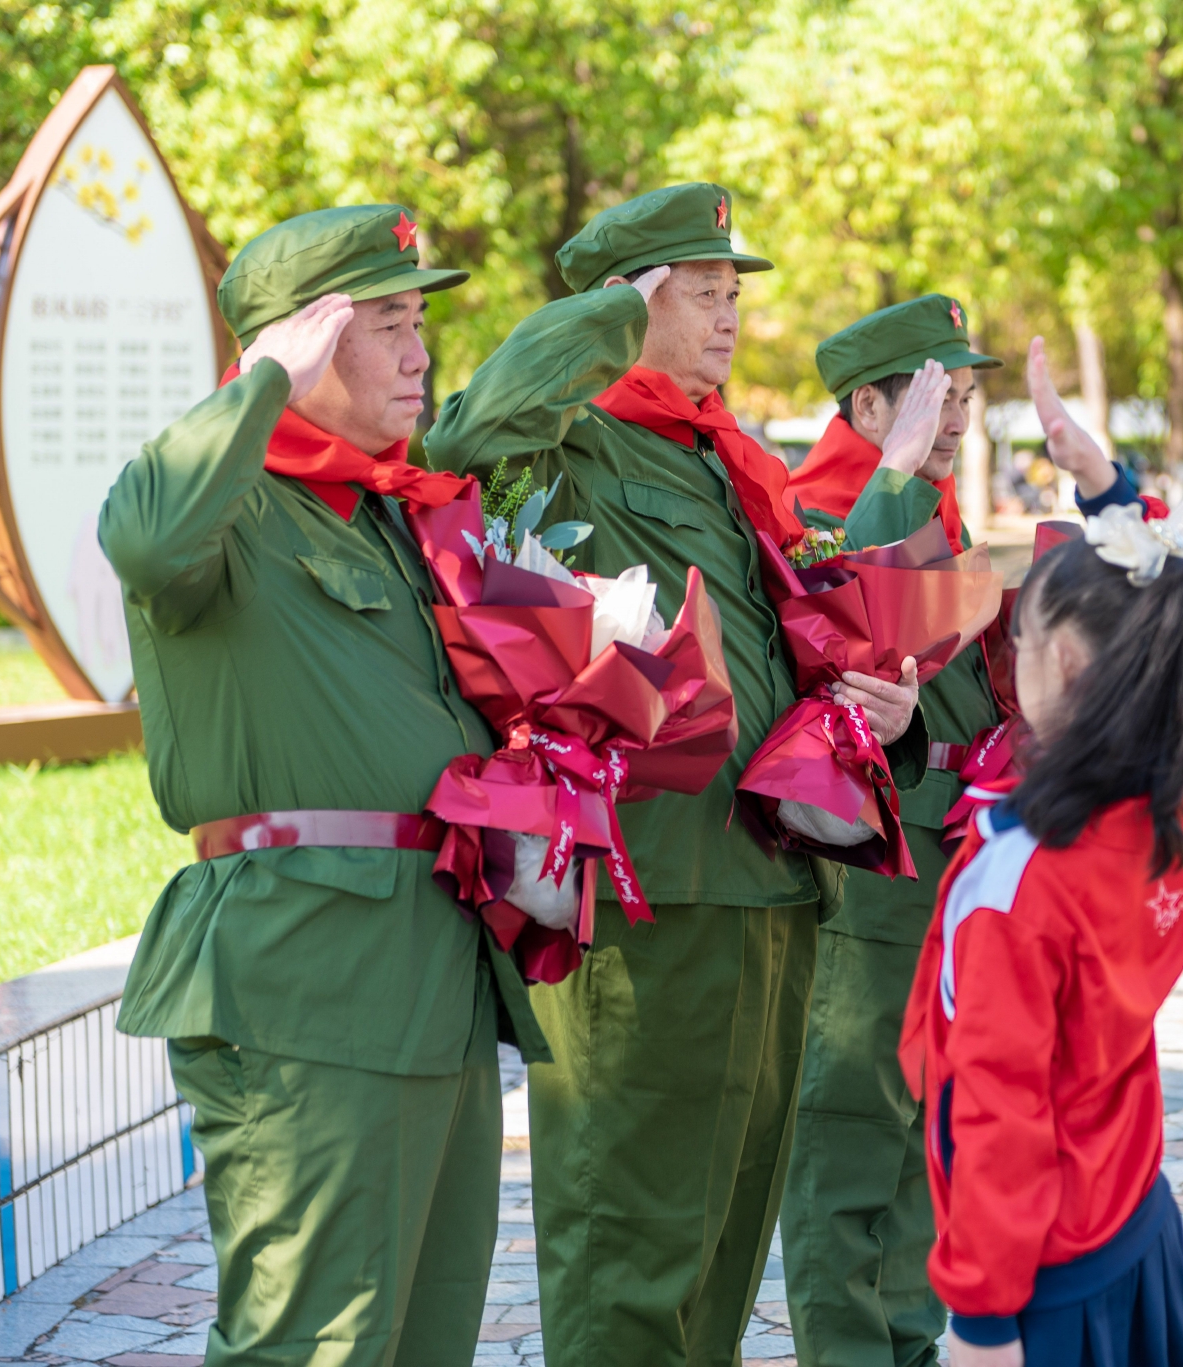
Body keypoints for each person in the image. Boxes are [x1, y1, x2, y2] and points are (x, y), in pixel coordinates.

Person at [424, 182, 922, 1367]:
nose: (729, 313)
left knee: (723, 1236)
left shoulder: (725, 456)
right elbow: (461, 443)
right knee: (631, 1238)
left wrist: (882, 711)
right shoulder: (574, 439)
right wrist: (599, 321)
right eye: (700, 290)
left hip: (768, 882)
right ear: (627, 302)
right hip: (647, 892)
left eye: (732, 290)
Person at [100, 205, 547, 1367]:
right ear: (304, 340)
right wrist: (261, 382)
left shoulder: (387, 509)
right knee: (312, 1339)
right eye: (386, 324)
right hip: (305, 973)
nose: (418, 353)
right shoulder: (226, 507)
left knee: (427, 1328)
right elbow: (142, 540)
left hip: (434, 965)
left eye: (417, 323)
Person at [776, 300, 1142, 1365]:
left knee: (924, 1136)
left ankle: (911, 1343)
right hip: (868, 868)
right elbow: (853, 633)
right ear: (868, 407)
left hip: (949, 849)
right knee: (848, 1139)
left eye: (967, 398)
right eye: (937, 398)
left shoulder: (939, 515)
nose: (957, 420)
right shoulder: (813, 515)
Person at [900, 501, 1183, 1367]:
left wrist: (981, 1316)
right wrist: (1113, 494)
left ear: (1068, 662)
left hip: (1045, 1272)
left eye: (1019, 639)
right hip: (1133, 1211)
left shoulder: (1018, 884)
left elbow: (997, 1105)